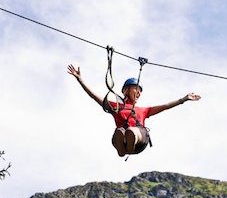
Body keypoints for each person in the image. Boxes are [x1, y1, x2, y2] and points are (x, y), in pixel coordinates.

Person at [67, 64, 201, 156]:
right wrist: (80, 80)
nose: (138, 92)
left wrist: (183, 99)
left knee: (130, 130)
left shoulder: (143, 110)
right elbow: (94, 96)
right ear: (126, 90)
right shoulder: (116, 107)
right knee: (120, 131)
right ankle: (122, 148)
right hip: (123, 138)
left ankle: (128, 146)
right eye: (136, 89)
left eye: (140, 91)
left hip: (140, 139)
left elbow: (165, 106)